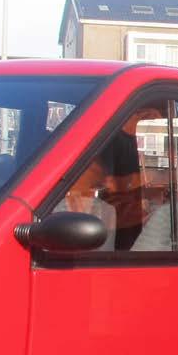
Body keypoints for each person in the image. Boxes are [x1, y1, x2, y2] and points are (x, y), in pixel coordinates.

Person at [68, 106, 156, 250]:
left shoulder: (128, 139)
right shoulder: (111, 139)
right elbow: (106, 183)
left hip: (127, 225)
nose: (153, 118)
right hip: (112, 225)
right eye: (149, 114)